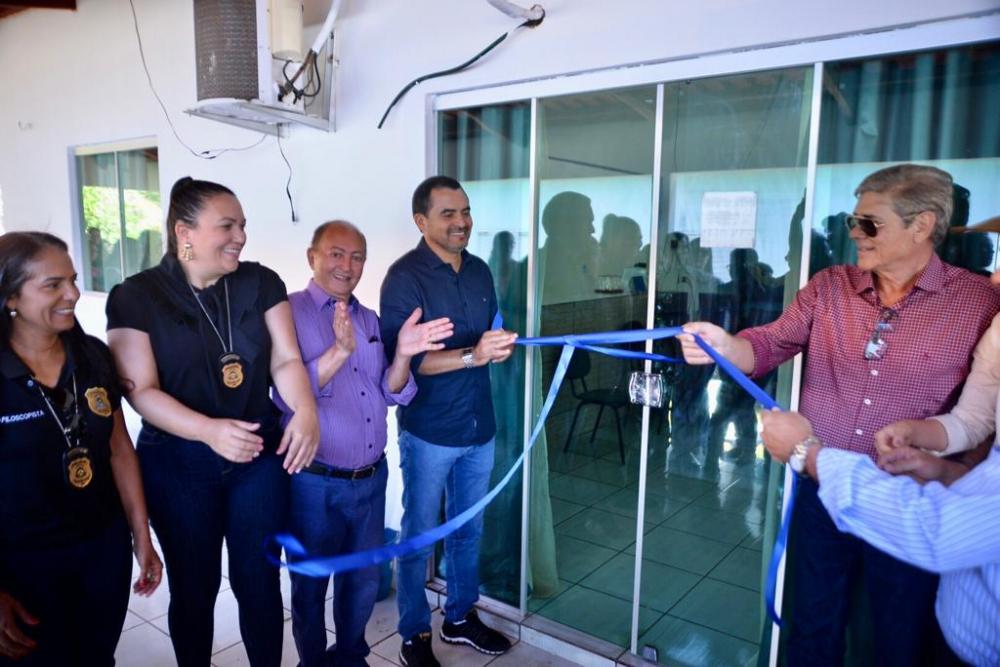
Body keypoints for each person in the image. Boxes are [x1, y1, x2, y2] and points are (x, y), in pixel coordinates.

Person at [679, 164, 1000, 665]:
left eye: (869, 223)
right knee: (810, 625)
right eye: (853, 220)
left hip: (911, 503)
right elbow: (770, 343)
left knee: (899, 639)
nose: (853, 232)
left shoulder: (981, 302)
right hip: (820, 490)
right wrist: (727, 346)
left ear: (922, 225)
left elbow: (982, 419)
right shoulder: (830, 285)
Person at [106, 177, 319, 667]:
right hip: (178, 461)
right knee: (194, 588)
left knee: (259, 583)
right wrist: (207, 430)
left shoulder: (260, 282)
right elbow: (140, 392)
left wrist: (305, 409)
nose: (240, 236)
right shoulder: (135, 297)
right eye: (227, 225)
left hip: (255, 456)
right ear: (185, 233)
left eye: (242, 225)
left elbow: (286, 360)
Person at [276, 221, 453, 667]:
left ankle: (352, 656)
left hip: (371, 479)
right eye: (336, 253)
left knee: (362, 581)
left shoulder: (368, 318)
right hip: (315, 481)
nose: (347, 265)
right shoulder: (288, 315)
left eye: (357, 257)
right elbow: (283, 393)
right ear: (311, 257)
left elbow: (389, 390)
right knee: (311, 585)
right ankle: (313, 662)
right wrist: (337, 350)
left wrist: (404, 356)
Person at [0, 232, 161, 666]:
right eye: (53, 285)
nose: (72, 293)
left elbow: (120, 450)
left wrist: (141, 536)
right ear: (10, 296)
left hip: (99, 549)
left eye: (71, 280)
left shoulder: (91, 356)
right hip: (23, 564)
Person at [380, 176, 517, 667]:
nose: (462, 222)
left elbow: (490, 333)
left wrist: (496, 346)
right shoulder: (404, 279)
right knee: (418, 536)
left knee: (468, 531)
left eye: (466, 211)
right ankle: (413, 633)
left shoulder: (480, 271)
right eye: (448, 214)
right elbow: (407, 363)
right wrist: (472, 356)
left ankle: (459, 617)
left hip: (480, 427)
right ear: (422, 221)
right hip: (430, 433)